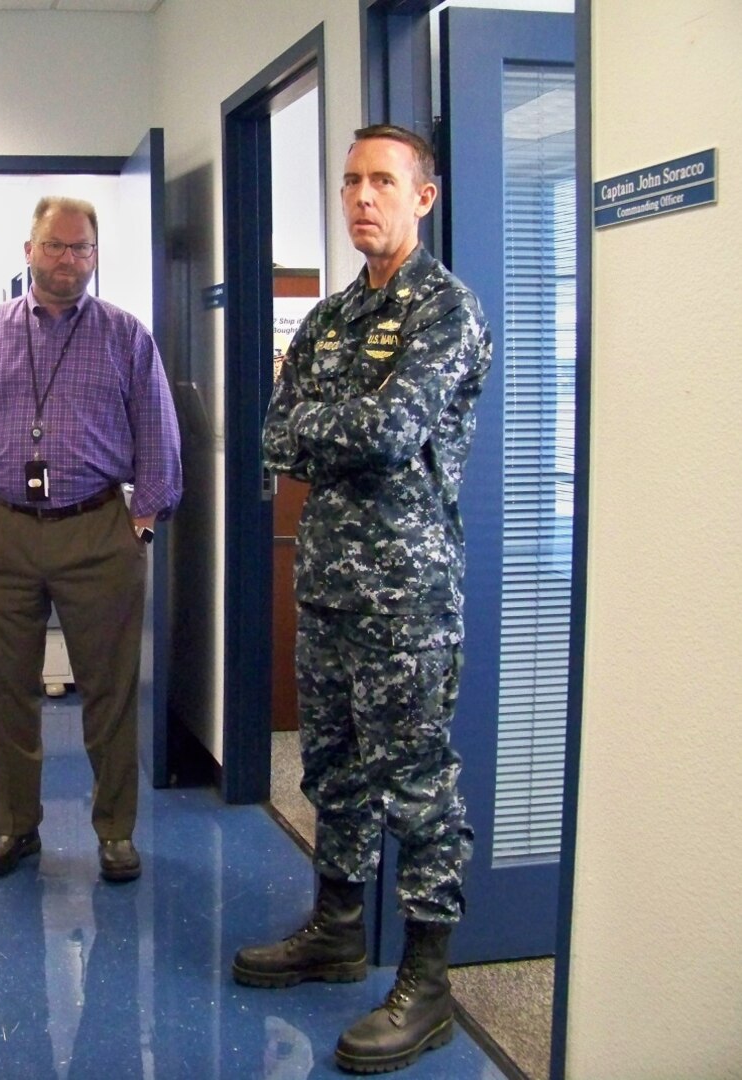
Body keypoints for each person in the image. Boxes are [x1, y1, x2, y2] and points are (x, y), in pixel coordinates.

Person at [233, 125, 492, 1074]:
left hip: (407, 595)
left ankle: (427, 983)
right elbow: (274, 437)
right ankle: (337, 929)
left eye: (382, 181)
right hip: (330, 581)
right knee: (332, 766)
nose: (361, 198)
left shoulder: (445, 311)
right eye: (349, 182)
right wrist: (321, 427)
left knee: (417, 785)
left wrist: (318, 426)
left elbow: (388, 434)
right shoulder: (331, 317)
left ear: (422, 197)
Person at [0, 195, 182, 884]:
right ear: (28, 250)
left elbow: (157, 431)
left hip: (97, 529)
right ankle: (15, 829)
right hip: (0, 532)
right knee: (6, 694)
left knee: (108, 692)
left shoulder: (126, 335)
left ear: (94, 257)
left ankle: (113, 833)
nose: (67, 259)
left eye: (80, 249)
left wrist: (143, 516)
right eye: (54, 246)